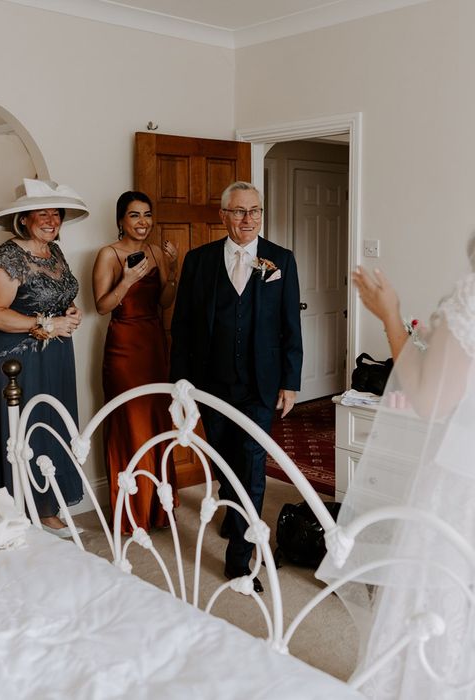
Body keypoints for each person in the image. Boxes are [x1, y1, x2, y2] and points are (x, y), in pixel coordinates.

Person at [317, 260, 475, 698]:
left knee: (435, 598)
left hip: (462, 485)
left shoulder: (470, 298)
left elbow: (428, 399)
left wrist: (390, 316)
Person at [170, 181, 303, 593]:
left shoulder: (281, 260)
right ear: (223, 215)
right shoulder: (199, 261)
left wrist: (290, 381)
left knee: (252, 466)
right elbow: (184, 328)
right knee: (224, 458)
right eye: (240, 211)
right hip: (211, 383)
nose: (248, 219)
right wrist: (181, 386)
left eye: (255, 211)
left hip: (260, 385)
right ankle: (232, 514)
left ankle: (240, 562)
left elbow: (289, 326)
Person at [0, 179, 87, 534]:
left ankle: (46, 506)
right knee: (24, 428)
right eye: (43, 212)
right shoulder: (7, 256)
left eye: (56, 212)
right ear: (23, 218)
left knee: (51, 424)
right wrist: (45, 323)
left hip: (55, 354)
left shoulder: (53, 252)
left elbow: (57, 296)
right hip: (18, 357)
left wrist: (70, 313)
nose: (52, 219)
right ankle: (20, 509)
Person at [92, 191, 179, 532]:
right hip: (124, 347)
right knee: (131, 421)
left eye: (147, 214)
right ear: (120, 221)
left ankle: (159, 508)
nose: (143, 222)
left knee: (157, 420)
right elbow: (101, 305)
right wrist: (127, 280)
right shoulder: (108, 254)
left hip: (154, 343)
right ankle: (132, 510)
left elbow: (165, 302)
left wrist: (172, 269)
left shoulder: (157, 251)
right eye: (134, 215)